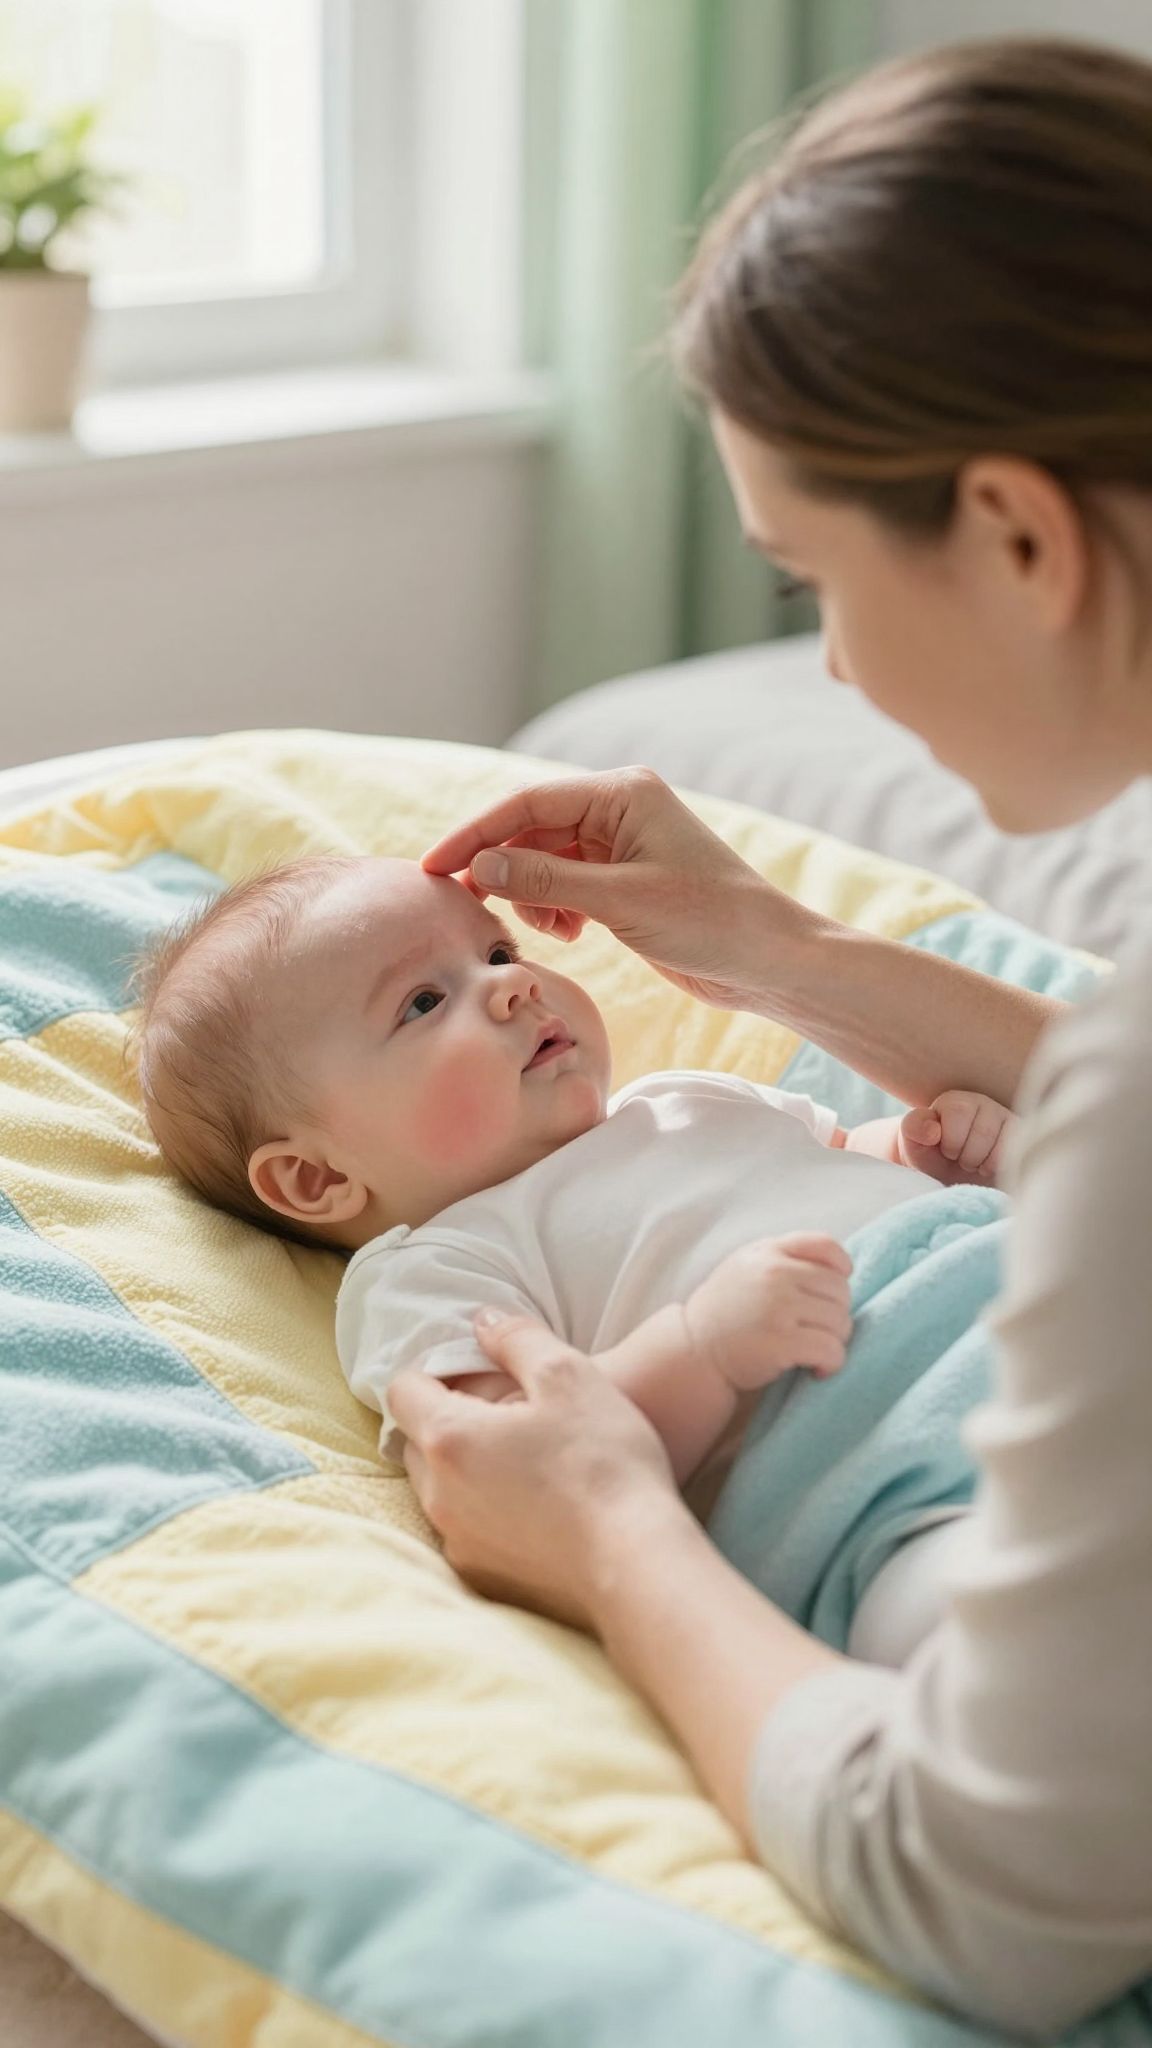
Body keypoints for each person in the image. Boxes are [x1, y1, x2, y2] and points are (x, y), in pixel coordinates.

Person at [389, 36, 1152, 2038]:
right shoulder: (446, 1253)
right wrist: (778, 946)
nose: (822, 659)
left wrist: (612, 1528)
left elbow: (987, 1900)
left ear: (1016, 531)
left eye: (812, 570)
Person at [132, 850, 1013, 1669]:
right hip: (883, 1485)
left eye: (498, 951)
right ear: (318, 1176)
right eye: (423, 1003)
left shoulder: (682, 1098)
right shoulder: (436, 1270)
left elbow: (843, 1157)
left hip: (1037, 1322)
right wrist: (701, 1347)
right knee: (983, 1627)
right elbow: (524, 1467)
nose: (512, 989)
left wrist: (920, 1150)